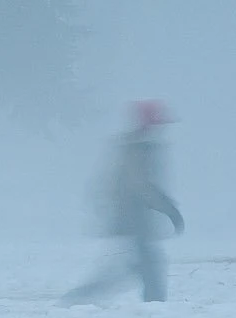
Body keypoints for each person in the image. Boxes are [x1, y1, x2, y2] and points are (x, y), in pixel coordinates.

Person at [63, 101, 184, 303]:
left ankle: (80, 298)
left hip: (132, 216)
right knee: (148, 266)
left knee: (138, 266)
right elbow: (140, 184)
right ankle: (154, 308)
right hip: (134, 216)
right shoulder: (140, 148)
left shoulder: (136, 146)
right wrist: (169, 209)